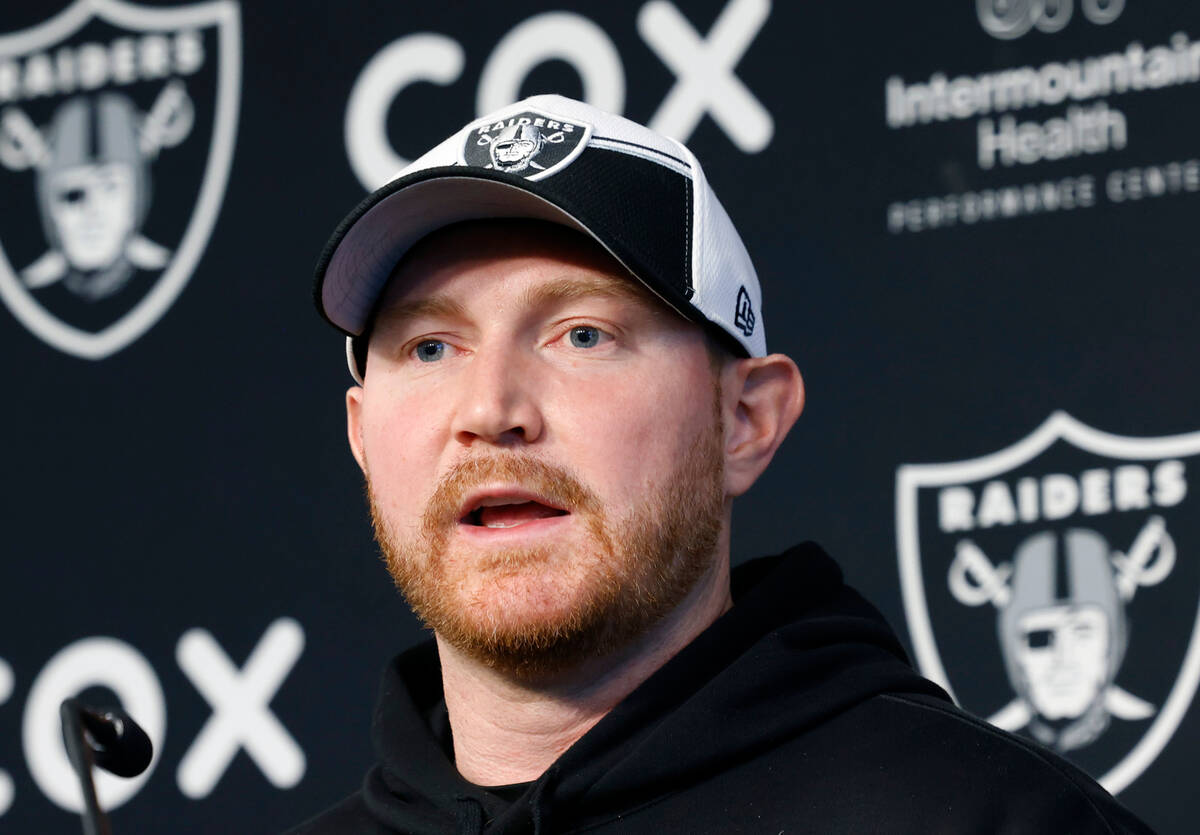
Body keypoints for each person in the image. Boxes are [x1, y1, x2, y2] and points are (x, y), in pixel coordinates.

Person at [290, 95, 1154, 834]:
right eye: (432, 346)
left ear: (745, 420)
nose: (490, 410)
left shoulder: (990, 818)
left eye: (583, 334)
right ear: (364, 437)